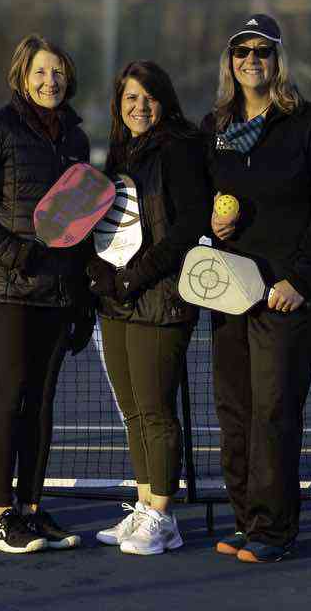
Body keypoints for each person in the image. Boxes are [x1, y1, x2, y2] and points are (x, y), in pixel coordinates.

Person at [202, 14, 311, 563]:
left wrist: (301, 278)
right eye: (242, 52)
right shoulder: (216, 126)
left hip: (285, 292)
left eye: (262, 51)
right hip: (230, 290)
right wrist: (212, 228)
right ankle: (246, 520)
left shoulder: (308, 122)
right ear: (230, 62)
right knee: (234, 409)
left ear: (278, 60)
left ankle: (275, 530)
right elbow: (202, 204)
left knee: (274, 411)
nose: (251, 60)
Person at [0, 35, 93, 554]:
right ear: (21, 75)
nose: (49, 81)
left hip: (59, 289)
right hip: (8, 286)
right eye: (40, 71)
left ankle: (31, 509)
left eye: (57, 72)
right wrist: (13, 254)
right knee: (12, 392)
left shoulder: (75, 139)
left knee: (42, 399)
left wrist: (80, 293)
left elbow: (79, 220)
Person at [85, 61, 211, 555]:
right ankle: (143, 506)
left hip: (161, 298)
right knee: (134, 412)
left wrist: (137, 276)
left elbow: (188, 226)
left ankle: (163, 514)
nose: (140, 107)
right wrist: (102, 275)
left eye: (148, 97)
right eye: (130, 98)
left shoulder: (180, 148)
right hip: (118, 300)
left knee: (156, 411)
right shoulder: (120, 153)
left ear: (165, 100)